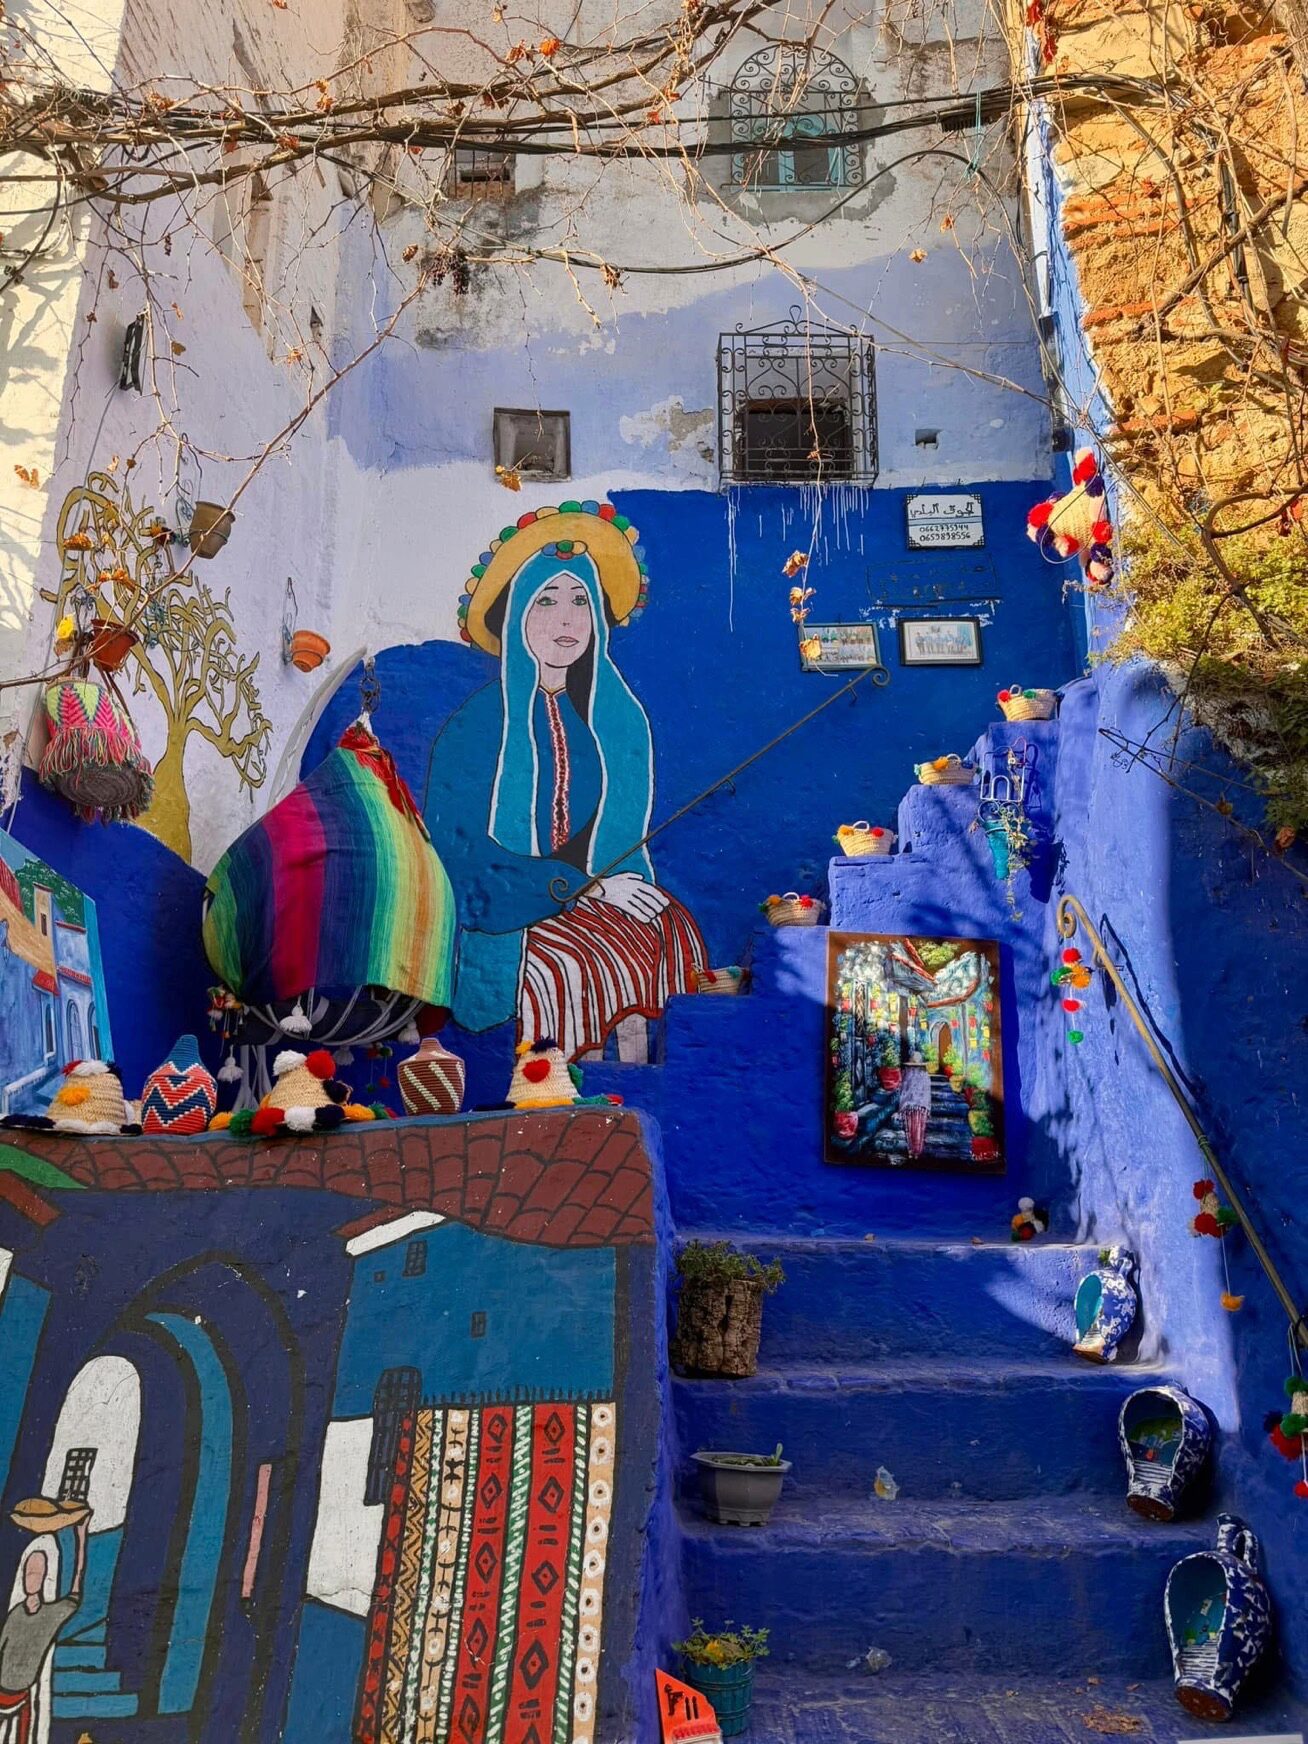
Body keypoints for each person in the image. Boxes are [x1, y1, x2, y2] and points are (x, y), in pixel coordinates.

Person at [427, 509, 707, 1060]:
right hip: (511, 910)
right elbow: (457, 853)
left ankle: (640, 1089)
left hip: (590, 897)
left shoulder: (613, 720)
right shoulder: (477, 725)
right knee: (571, 962)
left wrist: (611, 885)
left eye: (581, 601)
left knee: (670, 928)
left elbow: (620, 842)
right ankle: (565, 1091)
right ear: (516, 617)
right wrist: (584, 887)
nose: (567, 620)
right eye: (547, 600)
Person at [0, 1513, 89, 1744]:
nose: (32, 1579)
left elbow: (76, 1593)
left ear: (45, 1576)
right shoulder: (16, 1614)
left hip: (21, 1695)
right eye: (29, 1572)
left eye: (37, 1574)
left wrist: (81, 1537)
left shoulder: (51, 1615)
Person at [898, 1052, 932, 1160]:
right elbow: (903, 1091)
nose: (915, 1068)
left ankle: (916, 1153)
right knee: (909, 1129)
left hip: (920, 1107)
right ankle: (911, 1151)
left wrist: (926, 1107)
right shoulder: (906, 1074)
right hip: (909, 1106)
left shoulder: (924, 1076)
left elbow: (927, 1092)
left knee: (919, 1130)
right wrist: (902, 1106)